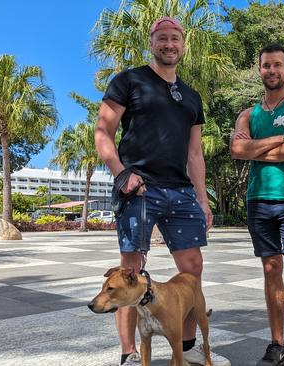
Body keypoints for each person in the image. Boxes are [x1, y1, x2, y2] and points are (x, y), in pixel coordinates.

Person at [94, 16, 230, 366]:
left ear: (183, 45)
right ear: (152, 42)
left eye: (175, 39)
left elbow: (194, 152)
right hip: (139, 188)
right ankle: (128, 353)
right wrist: (122, 174)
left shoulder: (191, 96)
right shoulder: (129, 80)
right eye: (162, 38)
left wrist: (202, 197)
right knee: (130, 271)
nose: (169, 44)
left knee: (192, 268)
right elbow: (103, 132)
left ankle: (185, 347)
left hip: (180, 192)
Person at [230, 44, 284, 366]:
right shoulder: (248, 114)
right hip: (259, 200)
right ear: (259, 69)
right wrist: (275, 140)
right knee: (271, 270)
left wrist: (256, 148)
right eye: (266, 65)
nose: (271, 70)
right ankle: (277, 345)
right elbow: (236, 150)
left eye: (277, 65)